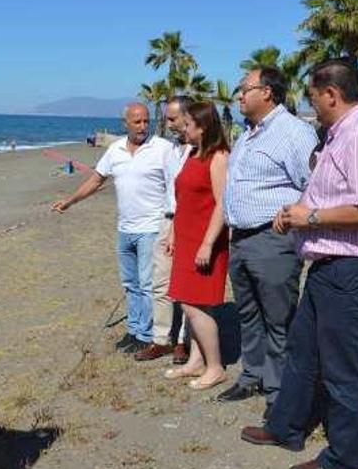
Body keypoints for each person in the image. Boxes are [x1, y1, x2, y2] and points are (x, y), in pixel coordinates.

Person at [241, 59, 358, 469]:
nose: (311, 108)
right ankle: (286, 426)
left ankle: (344, 460)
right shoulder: (340, 134)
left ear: (331, 94)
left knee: (344, 369)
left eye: (314, 99)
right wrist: (297, 213)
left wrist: (308, 219)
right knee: (302, 351)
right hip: (330, 264)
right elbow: (331, 193)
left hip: (356, 268)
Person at [218, 67, 317, 415]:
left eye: (245, 89)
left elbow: (315, 183)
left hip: (272, 239)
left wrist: (294, 212)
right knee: (249, 314)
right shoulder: (248, 134)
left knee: (278, 318)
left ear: (268, 93)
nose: (239, 96)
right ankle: (252, 375)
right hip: (241, 239)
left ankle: (279, 391)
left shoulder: (294, 132)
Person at [53, 103, 175, 354]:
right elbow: (97, 179)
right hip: (125, 229)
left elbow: (176, 186)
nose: (143, 127)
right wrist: (70, 201)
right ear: (125, 124)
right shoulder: (115, 149)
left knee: (147, 285)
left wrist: (173, 222)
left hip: (152, 227)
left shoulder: (163, 148)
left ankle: (146, 334)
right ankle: (133, 329)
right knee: (130, 283)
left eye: (146, 121)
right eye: (137, 122)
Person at [161, 101, 230, 390]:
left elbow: (221, 205)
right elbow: (184, 201)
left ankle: (215, 367)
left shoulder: (218, 156)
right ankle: (196, 361)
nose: (183, 129)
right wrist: (175, 234)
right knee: (191, 303)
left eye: (188, 125)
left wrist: (207, 244)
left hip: (206, 241)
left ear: (203, 127)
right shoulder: (192, 153)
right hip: (187, 237)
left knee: (194, 305)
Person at [134, 96, 191, 363]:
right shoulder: (171, 150)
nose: (167, 124)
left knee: (187, 287)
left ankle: (183, 341)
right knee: (161, 283)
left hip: (189, 223)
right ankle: (160, 339)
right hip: (166, 221)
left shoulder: (200, 151)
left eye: (172, 119)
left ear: (187, 117)